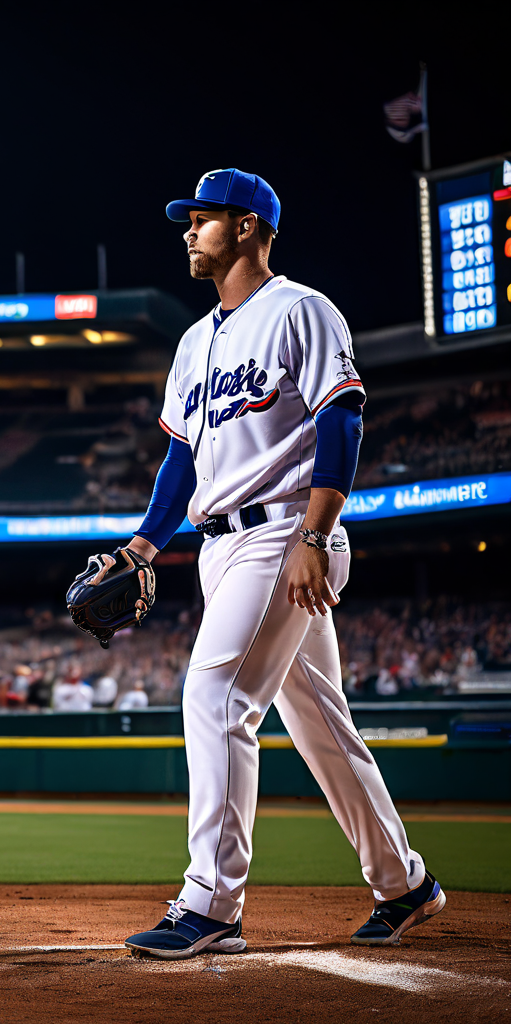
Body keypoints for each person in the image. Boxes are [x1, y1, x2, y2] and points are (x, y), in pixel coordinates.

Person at [117, 169, 444, 959]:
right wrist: (142, 545)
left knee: (217, 694)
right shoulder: (195, 342)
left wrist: (315, 537)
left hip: (285, 534)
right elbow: (179, 463)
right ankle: (404, 883)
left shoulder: (301, 309)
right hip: (220, 545)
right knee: (321, 724)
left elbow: (342, 421)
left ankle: (211, 904)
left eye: (203, 218)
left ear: (249, 227)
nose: (189, 231)